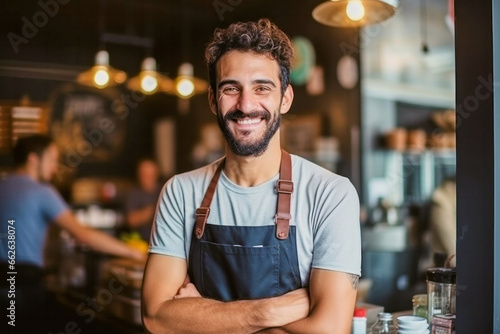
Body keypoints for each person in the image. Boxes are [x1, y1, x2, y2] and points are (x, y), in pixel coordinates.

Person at [142, 18, 361, 333]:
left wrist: (200, 314)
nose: (246, 105)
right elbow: (157, 318)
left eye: (262, 88)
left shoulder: (330, 194)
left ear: (285, 98)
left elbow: (328, 329)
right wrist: (268, 313)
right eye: (231, 88)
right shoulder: (180, 191)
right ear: (213, 101)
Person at [0, 135, 146, 324]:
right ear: (33, 159)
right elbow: (83, 234)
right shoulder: (41, 192)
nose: (55, 167)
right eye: (51, 160)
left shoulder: (3, 186)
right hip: (24, 287)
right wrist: (133, 252)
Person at [124, 158, 162, 241]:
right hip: (141, 242)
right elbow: (131, 220)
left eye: (149, 174)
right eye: (143, 174)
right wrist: (157, 208)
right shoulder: (133, 193)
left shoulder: (165, 190)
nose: (146, 177)